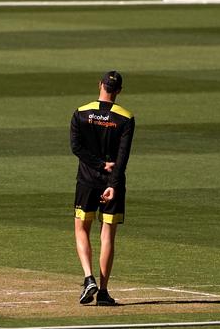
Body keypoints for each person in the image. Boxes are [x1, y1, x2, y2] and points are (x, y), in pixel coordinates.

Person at [70, 70, 135, 306]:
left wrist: (97, 164)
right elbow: (123, 156)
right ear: (119, 91)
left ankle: (89, 277)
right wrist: (114, 185)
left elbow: (76, 147)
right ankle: (104, 291)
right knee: (107, 234)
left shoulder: (81, 112)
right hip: (113, 184)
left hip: (87, 180)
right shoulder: (126, 117)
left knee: (81, 229)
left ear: (100, 85)